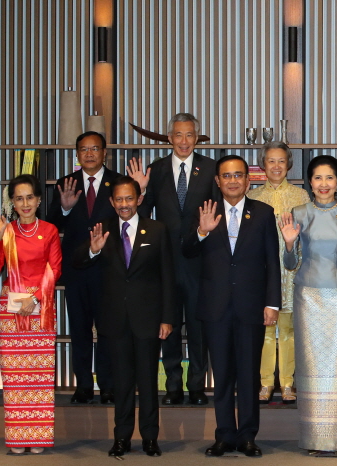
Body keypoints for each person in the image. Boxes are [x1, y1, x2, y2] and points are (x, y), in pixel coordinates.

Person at [183, 155, 281, 457]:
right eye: (227, 176)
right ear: (217, 181)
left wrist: (272, 303)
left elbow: (272, 262)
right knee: (222, 374)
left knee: (250, 375)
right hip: (215, 307)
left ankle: (248, 435)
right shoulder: (205, 211)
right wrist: (202, 231)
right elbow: (186, 251)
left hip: (252, 306)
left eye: (239, 175)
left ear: (248, 180)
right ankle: (224, 435)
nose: (233, 180)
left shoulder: (264, 213)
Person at [73, 176, 175, 457]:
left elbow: (168, 276)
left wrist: (167, 318)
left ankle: (150, 438)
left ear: (139, 199)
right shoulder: (102, 229)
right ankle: (122, 438)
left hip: (148, 320)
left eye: (129, 198)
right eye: (119, 199)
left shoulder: (156, 230)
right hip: (114, 321)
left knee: (148, 382)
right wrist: (93, 249)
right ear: (111, 202)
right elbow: (77, 261)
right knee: (122, 384)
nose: (124, 204)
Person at [281, 155, 337, 456]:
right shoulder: (299, 212)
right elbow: (290, 264)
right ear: (309, 182)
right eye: (317, 178)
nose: (323, 184)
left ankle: (336, 441)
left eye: (329, 178)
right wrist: (290, 244)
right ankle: (312, 439)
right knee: (310, 367)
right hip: (307, 297)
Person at [129, 112, 218, 406]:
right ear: (169, 138)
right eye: (178, 135)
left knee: (198, 327)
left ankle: (196, 386)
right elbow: (141, 218)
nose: (183, 141)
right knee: (167, 325)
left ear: (197, 137)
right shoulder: (155, 170)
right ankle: (173, 386)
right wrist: (140, 191)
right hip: (164, 262)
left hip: (200, 260)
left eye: (189, 135)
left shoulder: (210, 169)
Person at [0, 175, 62, 455]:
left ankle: (38, 436)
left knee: (39, 377)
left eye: (30, 197)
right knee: (15, 376)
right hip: (11, 310)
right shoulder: (6, 232)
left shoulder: (50, 230)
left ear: (39, 199)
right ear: (13, 203)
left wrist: (35, 298)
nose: (25, 203)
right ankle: (18, 438)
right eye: (19, 198)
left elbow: (55, 269)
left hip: (40, 307)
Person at [47, 131, 120, 405]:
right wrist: (64, 209)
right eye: (84, 149)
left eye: (95, 149)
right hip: (76, 269)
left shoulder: (119, 182)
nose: (89, 154)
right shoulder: (67, 183)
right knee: (79, 329)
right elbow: (51, 225)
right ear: (77, 153)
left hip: (108, 268)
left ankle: (108, 385)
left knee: (107, 330)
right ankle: (83, 386)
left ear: (104, 153)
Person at [246, 142, 309, 404]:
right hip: (261, 272)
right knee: (265, 328)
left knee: (289, 329)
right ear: (263, 164)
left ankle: (287, 383)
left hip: (292, 270)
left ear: (289, 164)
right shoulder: (253, 197)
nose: (276, 166)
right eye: (271, 161)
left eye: (281, 161)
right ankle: (264, 383)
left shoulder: (301, 197)